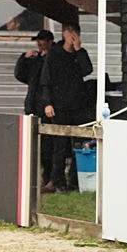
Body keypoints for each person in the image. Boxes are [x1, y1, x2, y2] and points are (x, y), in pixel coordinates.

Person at [40, 24, 93, 194]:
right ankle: (56, 180)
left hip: (77, 104)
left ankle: (75, 180)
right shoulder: (55, 53)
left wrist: (78, 49)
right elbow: (45, 79)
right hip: (59, 105)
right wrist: (47, 103)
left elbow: (87, 70)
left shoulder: (79, 54)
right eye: (69, 32)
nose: (72, 36)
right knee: (59, 144)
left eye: (75, 33)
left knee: (79, 141)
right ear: (64, 34)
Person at [15, 29, 55, 185]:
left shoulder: (53, 58)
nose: (39, 44)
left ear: (49, 42)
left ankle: (49, 175)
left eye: (42, 40)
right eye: (37, 41)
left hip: (45, 105)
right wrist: (24, 59)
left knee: (47, 143)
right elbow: (20, 75)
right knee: (33, 144)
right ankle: (36, 176)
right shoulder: (35, 59)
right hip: (32, 104)